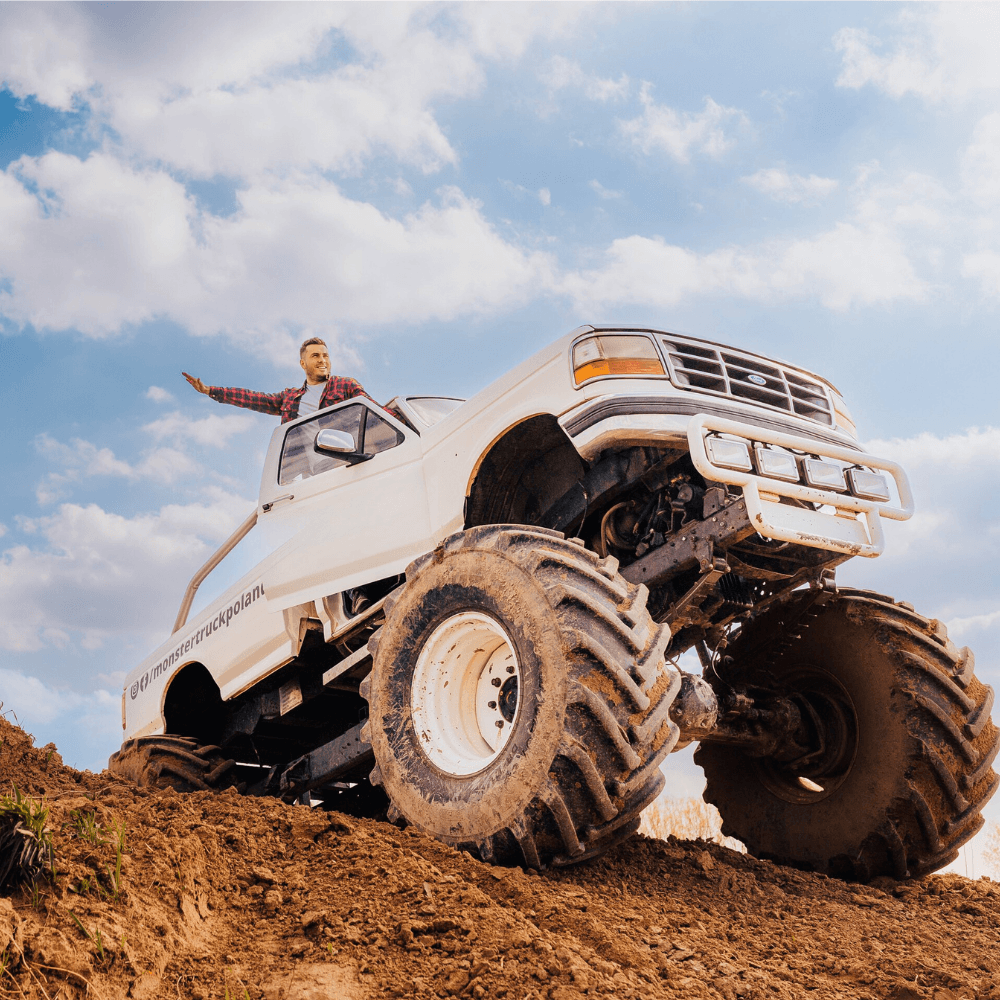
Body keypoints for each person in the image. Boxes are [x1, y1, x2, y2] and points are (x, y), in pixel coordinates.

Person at [182, 338, 371, 423]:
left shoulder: (346, 386)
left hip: (345, 462)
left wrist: (401, 418)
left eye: (325, 355)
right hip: (304, 472)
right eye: (315, 356)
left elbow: (374, 412)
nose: (322, 360)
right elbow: (252, 398)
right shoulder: (289, 398)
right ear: (303, 364)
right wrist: (210, 391)